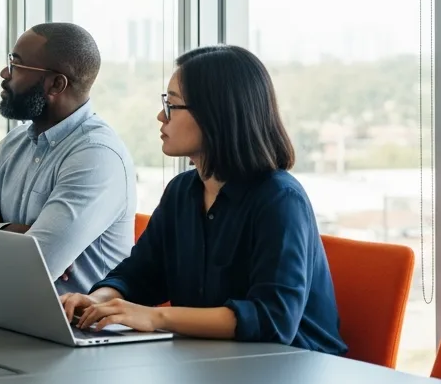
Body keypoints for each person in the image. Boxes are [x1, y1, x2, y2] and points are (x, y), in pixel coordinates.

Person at [62, 44, 347, 355]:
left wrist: (156, 316)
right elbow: (141, 274)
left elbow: (272, 320)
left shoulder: (280, 200)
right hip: (215, 364)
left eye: (172, 105)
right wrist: (99, 299)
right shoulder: (182, 191)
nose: (161, 116)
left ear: (215, 115)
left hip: (293, 370)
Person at [0, 23, 136, 295]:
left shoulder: (97, 156)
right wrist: (12, 232)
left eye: (16, 65)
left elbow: (40, 263)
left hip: (79, 329)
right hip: (12, 317)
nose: (5, 74)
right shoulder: (13, 144)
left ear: (56, 84)